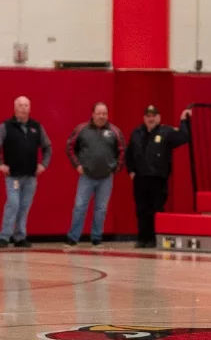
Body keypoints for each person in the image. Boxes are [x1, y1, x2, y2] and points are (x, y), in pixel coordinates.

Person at [126, 106, 191, 248]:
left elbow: (184, 137)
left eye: (153, 116)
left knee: (156, 209)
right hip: (141, 179)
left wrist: (183, 121)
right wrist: (131, 170)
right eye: (148, 116)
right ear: (144, 118)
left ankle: (155, 239)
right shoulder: (136, 133)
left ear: (159, 117)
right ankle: (142, 238)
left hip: (158, 179)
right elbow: (129, 153)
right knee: (141, 210)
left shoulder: (166, 132)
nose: (151, 119)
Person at [65, 103, 125, 247]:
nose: (102, 116)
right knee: (80, 206)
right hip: (86, 176)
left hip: (106, 178)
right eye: (99, 113)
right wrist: (77, 165)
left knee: (101, 209)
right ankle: (73, 237)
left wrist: (116, 168)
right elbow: (70, 146)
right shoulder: (82, 129)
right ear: (93, 114)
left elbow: (122, 150)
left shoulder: (114, 131)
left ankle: (97, 237)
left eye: (104, 113)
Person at [0, 97, 52, 248]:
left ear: (30, 108)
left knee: (25, 206)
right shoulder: (6, 126)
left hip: (30, 176)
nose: (23, 108)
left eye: (26, 105)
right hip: (13, 176)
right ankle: (4, 236)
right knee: (13, 204)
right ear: (14, 108)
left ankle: (20, 236)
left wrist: (44, 164)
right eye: (20, 105)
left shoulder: (36, 127)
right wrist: (1, 165)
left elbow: (47, 147)